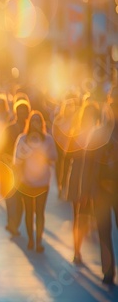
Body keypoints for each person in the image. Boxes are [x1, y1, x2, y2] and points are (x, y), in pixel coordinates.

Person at [81, 89, 118, 285]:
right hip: (101, 191)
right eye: (113, 105)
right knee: (103, 231)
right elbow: (87, 163)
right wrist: (85, 190)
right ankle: (108, 271)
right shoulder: (97, 133)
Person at [13, 111, 57, 252]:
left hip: (43, 181)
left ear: (42, 123)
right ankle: (31, 239)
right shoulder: (23, 138)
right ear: (29, 122)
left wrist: (43, 155)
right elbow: (17, 160)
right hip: (26, 181)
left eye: (38, 120)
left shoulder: (48, 139)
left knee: (40, 212)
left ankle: (39, 241)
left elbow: (54, 157)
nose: (36, 123)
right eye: (33, 120)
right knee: (29, 211)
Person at [65, 101, 101, 265]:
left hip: (93, 179)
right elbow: (67, 157)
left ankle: (83, 244)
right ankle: (77, 251)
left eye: (93, 116)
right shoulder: (77, 133)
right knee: (77, 216)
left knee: (87, 216)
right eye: (88, 115)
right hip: (77, 178)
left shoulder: (101, 135)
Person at [3, 99, 31, 236]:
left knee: (21, 201)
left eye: (24, 112)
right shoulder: (9, 129)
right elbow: (2, 149)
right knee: (11, 197)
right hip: (11, 168)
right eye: (19, 111)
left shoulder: (31, 131)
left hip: (27, 171)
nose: (21, 114)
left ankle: (15, 223)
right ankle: (11, 223)